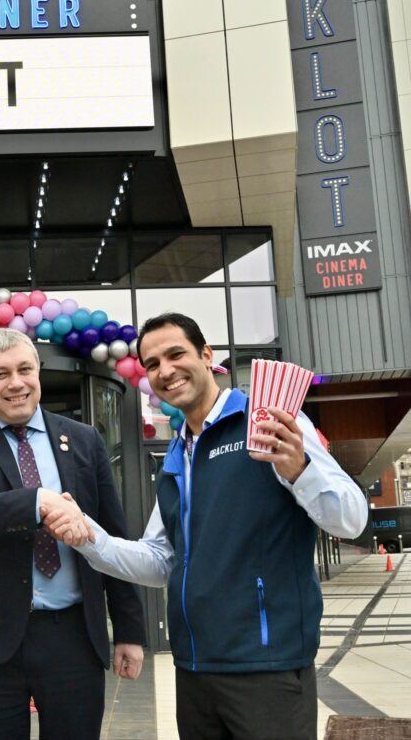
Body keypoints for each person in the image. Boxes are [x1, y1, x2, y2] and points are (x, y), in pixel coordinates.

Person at [51, 312, 368, 740]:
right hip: (194, 669)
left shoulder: (268, 421)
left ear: (206, 355)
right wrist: (90, 537)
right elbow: (159, 561)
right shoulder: (176, 459)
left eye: (175, 354)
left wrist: (301, 470)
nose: (165, 371)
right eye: (152, 364)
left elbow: (351, 519)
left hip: (266, 668)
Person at [0, 327, 146, 740]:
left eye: (25, 369)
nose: (16, 383)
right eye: (0, 374)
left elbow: (115, 535)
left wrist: (130, 631)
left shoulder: (84, 440)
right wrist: (38, 502)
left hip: (73, 639)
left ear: (38, 372)